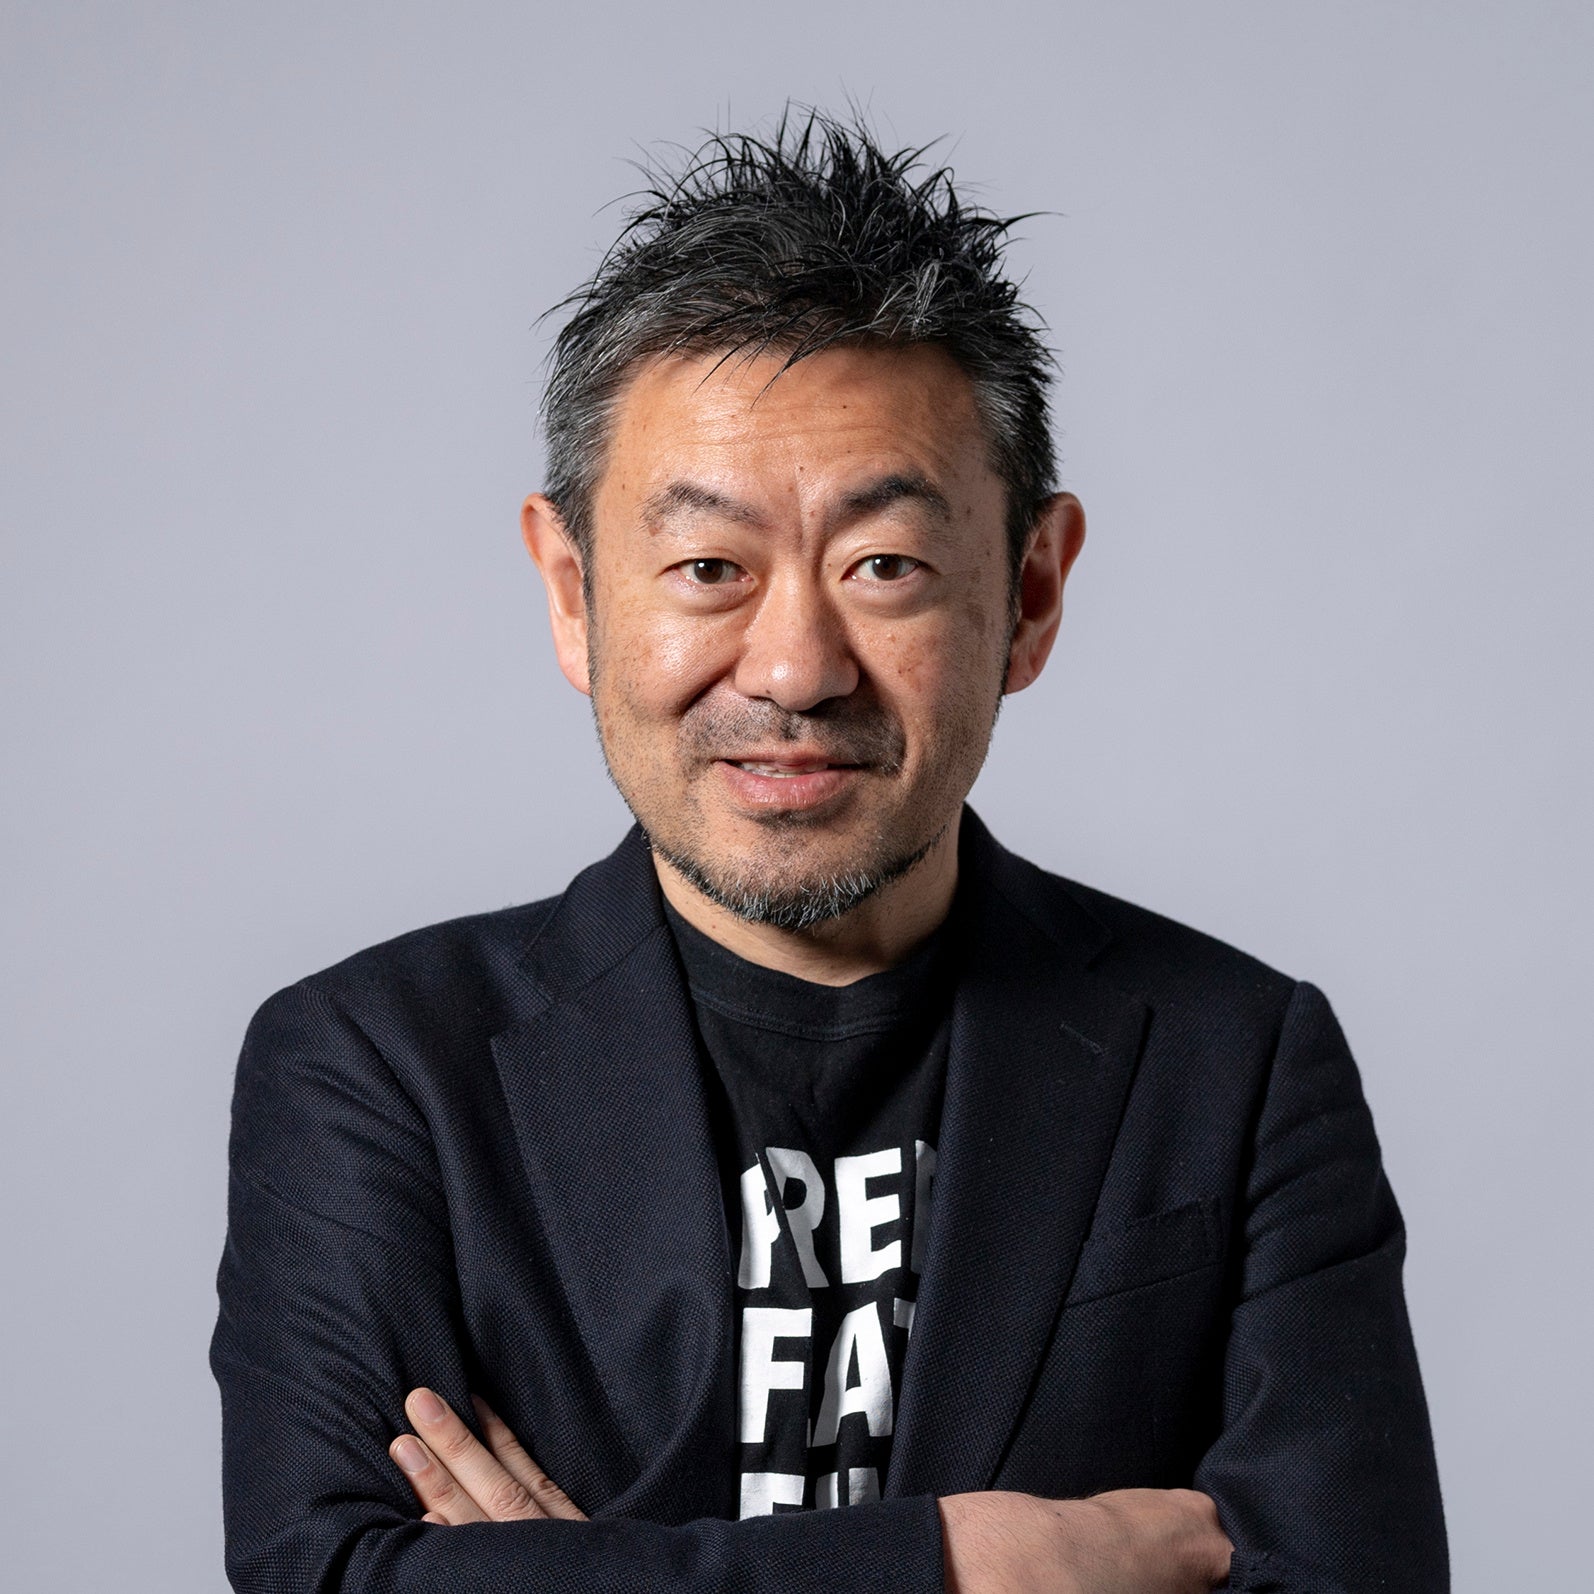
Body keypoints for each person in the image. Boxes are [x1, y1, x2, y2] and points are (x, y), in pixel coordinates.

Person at [211, 113, 1447, 1593]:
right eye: (708, 567)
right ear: (573, 592)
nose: (795, 667)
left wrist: (588, 1576)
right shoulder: (376, 1068)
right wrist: (966, 1562)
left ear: (1031, 592)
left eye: (885, 566)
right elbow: (330, 1577)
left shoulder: (1235, 1061)